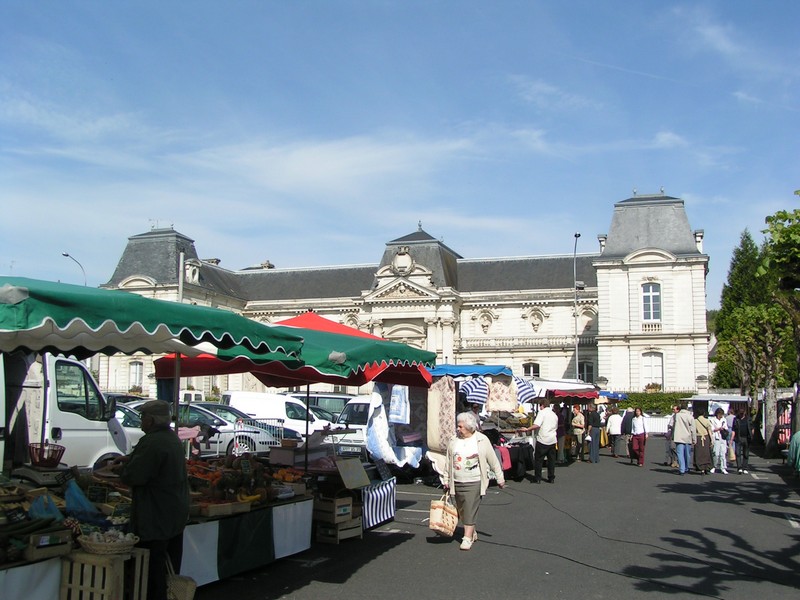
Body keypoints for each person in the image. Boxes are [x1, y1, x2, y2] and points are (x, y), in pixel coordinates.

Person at [113, 400, 190, 600]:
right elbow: (153, 460)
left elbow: (135, 476)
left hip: (156, 515)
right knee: (168, 567)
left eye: (143, 417)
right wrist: (131, 458)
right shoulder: (169, 438)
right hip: (173, 513)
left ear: (152, 420)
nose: (141, 421)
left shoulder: (154, 441)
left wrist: (121, 470)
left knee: (153, 571)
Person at [442, 411, 505, 551]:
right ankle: (472, 531)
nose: (458, 429)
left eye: (461, 427)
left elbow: (493, 460)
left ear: (470, 427)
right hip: (457, 480)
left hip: (474, 481)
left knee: (470, 508)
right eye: (458, 426)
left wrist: (500, 478)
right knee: (462, 510)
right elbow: (448, 461)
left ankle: (467, 538)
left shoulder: (482, 440)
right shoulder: (453, 440)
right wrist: (445, 479)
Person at [524, 398, 559, 483]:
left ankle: (538, 478)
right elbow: (556, 427)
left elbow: (537, 425)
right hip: (552, 439)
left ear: (542, 405)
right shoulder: (554, 414)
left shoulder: (542, 413)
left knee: (539, 460)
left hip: (543, 439)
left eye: (540, 406)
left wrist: (527, 429)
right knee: (551, 461)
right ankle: (551, 477)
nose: (539, 408)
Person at [672, 404, 696, 475]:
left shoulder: (677, 415)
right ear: (687, 408)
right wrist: (694, 439)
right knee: (687, 454)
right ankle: (686, 467)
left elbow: (674, 426)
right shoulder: (690, 416)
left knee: (680, 454)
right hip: (687, 437)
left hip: (679, 437)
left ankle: (681, 469)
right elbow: (693, 429)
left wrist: (672, 436)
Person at [709, 407, 730, 474]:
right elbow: (712, 429)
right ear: (717, 414)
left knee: (723, 454)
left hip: (723, 438)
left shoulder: (724, 419)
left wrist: (723, 429)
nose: (721, 416)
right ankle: (714, 466)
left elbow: (726, 428)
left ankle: (723, 467)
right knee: (716, 453)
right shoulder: (712, 420)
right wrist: (718, 429)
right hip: (716, 438)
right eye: (720, 414)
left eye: (722, 414)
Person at [732, 408, 752, 474]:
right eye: (740, 413)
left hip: (747, 438)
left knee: (745, 454)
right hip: (738, 437)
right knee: (737, 453)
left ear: (744, 413)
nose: (741, 415)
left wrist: (751, 436)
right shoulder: (736, 419)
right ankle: (739, 468)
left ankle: (745, 467)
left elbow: (752, 428)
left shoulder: (748, 419)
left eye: (742, 413)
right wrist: (732, 439)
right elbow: (733, 430)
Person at [694, 409, 713, 475]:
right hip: (706, 437)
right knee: (706, 453)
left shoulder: (695, 421)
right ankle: (706, 467)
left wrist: (693, 439)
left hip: (698, 437)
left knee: (699, 454)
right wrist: (712, 440)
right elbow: (709, 431)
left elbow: (693, 431)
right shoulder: (707, 420)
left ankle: (701, 468)